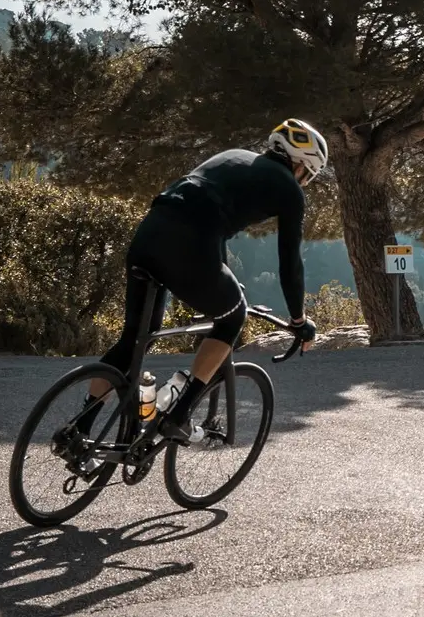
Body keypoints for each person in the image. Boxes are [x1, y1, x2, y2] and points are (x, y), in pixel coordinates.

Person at [90, 119, 326, 441]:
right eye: (307, 174)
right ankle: (180, 415)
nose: (303, 181)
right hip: (192, 246)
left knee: (133, 340)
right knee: (233, 317)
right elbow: (290, 264)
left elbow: (206, 213)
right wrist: (299, 320)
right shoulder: (290, 189)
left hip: (149, 233)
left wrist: (223, 275)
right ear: (301, 164)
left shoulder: (233, 156)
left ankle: (79, 430)